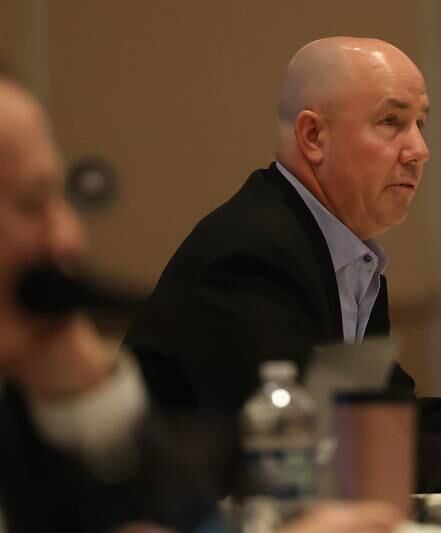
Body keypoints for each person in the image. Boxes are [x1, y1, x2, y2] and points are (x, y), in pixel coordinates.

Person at [124, 36, 441, 493]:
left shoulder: (336, 248)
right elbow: (298, 444)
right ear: (313, 137)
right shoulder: (251, 251)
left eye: (421, 124)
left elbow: (386, 420)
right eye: (391, 122)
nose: (420, 151)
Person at [0, 69, 401, 532]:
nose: (68, 239)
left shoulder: (29, 394)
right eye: (32, 203)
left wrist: (90, 399)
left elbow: (179, 521)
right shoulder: (254, 247)